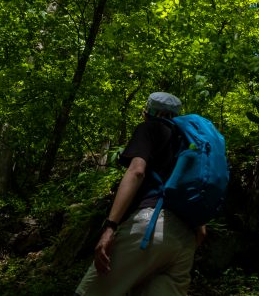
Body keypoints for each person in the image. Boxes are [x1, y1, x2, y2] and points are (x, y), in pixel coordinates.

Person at [76, 91, 206, 296]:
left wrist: (110, 227)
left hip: (151, 227)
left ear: (148, 112)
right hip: (186, 240)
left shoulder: (149, 128)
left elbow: (137, 171)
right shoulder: (188, 142)